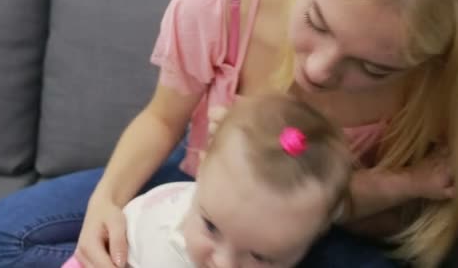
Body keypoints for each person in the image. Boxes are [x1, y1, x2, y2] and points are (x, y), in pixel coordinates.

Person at [0, 0, 458, 267]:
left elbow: (407, 226)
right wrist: (106, 204)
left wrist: (367, 194)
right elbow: (161, 117)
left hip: (331, 225)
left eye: (374, 67)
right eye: (315, 22)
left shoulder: (449, 91)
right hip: (200, 178)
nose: (318, 70)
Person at [63, 95, 354, 268]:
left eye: (260, 257)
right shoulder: (147, 228)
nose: (223, 263)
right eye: (211, 227)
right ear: (200, 170)